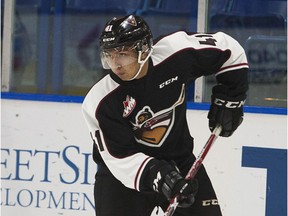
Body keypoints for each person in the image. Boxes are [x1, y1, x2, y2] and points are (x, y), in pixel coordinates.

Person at [82, 14, 248, 216]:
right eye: (109, 55)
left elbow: (229, 49)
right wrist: (159, 175)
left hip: (179, 161)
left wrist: (232, 97)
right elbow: (120, 159)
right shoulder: (100, 101)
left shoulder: (176, 52)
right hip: (122, 181)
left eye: (122, 54)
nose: (115, 64)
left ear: (143, 49)